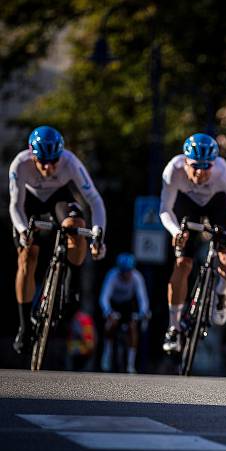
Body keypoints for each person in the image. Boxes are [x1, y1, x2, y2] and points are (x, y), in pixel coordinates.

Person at [8, 125, 106, 355]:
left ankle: (71, 280)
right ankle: (24, 326)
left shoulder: (70, 162)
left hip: (58, 198)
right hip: (29, 202)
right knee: (27, 256)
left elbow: (95, 201)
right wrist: (23, 231)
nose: (49, 167)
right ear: (33, 155)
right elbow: (15, 205)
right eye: (42, 161)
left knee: (76, 226)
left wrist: (99, 235)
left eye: (54, 161)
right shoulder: (20, 165)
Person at [159, 133, 226, 352]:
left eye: (206, 167)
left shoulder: (223, 174)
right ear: (185, 161)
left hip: (217, 203)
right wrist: (175, 231)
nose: (201, 173)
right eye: (195, 166)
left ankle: (221, 293)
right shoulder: (172, 171)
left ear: (214, 164)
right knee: (182, 264)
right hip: (187, 205)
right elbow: (165, 209)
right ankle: (173, 328)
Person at [99, 253, 150, 373]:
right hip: (114, 304)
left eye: (129, 271)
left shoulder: (137, 277)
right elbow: (104, 297)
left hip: (128, 306)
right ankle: (107, 354)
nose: (126, 275)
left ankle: (130, 364)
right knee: (110, 324)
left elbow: (143, 298)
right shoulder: (112, 276)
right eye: (124, 272)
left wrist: (142, 313)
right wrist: (108, 311)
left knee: (133, 327)